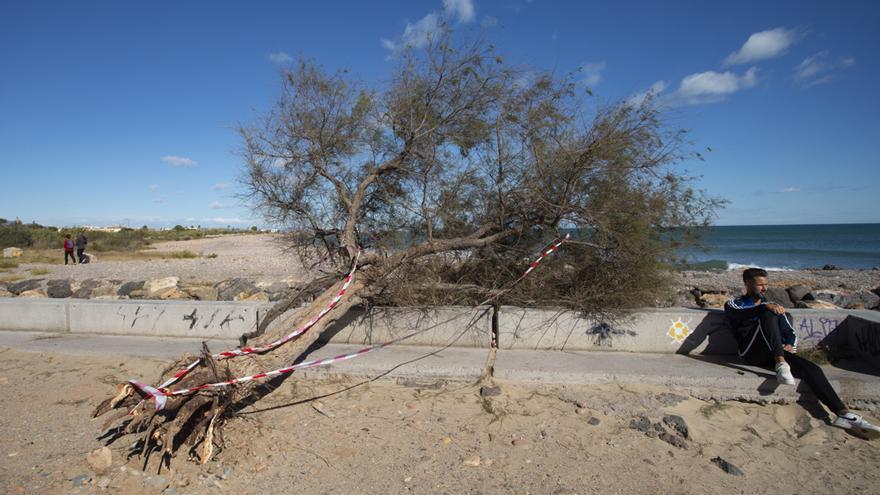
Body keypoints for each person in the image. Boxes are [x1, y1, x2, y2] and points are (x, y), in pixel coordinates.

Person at [725, 267, 879, 437]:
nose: (764, 288)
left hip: (775, 352)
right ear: (747, 284)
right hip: (752, 352)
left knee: (813, 370)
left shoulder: (771, 306)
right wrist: (764, 308)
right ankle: (781, 362)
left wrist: (791, 345)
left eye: (766, 284)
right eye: (760, 285)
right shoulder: (735, 304)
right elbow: (737, 314)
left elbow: (789, 332)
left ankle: (843, 414)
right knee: (768, 314)